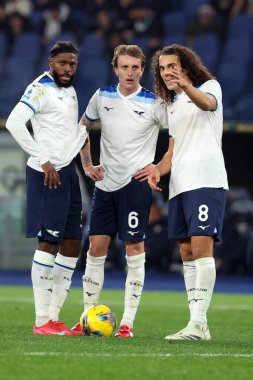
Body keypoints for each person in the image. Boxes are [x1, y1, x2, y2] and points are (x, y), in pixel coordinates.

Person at [72, 44, 169, 338]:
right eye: (124, 67)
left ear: (142, 70)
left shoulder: (155, 103)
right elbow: (82, 126)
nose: (130, 72)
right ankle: (88, 318)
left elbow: (179, 136)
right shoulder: (102, 96)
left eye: (135, 67)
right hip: (105, 184)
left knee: (133, 250)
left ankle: (126, 323)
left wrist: (157, 168)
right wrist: (87, 164)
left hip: (135, 185)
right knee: (96, 249)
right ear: (116, 68)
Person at [6, 40, 87, 336]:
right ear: (51, 62)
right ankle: (42, 320)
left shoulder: (71, 91)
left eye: (72, 64)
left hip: (68, 173)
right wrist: (43, 160)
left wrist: (84, 164)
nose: (67, 69)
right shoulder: (39, 88)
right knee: (48, 243)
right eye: (63, 63)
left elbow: (69, 132)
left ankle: (54, 318)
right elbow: (15, 123)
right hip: (47, 174)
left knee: (72, 243)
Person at [149, 44, 229, 340]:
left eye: (172, 66)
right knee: (185, 251)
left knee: (200, 246)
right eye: (162, 68)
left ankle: (198, 322)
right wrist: (157, 169)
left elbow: (208, 104)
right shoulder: (172, 104)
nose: (167, 72)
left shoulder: (210, 86)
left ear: (186, 67)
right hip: (179, 184)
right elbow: (173, 150)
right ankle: (197, 323)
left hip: (205, 179)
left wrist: (185, 85)